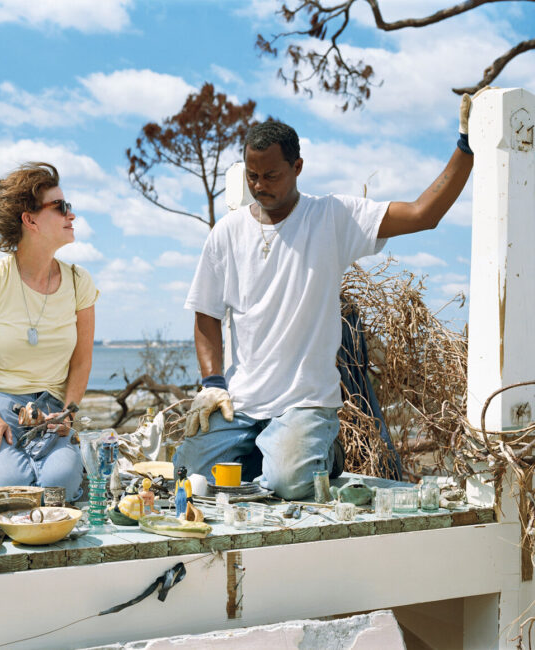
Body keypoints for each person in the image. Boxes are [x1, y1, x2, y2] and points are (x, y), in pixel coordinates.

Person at [176, 96, 479, 500]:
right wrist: (213, 384)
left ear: (297, 167)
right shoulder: (227, 233)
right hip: (242, 402)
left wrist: (466, 146)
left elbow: (424, 214)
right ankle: (268, 452)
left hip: (305, 401)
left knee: (288, 484)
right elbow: (206, 313)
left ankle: (326, 453)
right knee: (189, 477)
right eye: (252, 176)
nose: (260, 186)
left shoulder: (332, 217)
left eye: (271, 175)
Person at [0, 162, 99, 500]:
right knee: (5, 489)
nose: (71, 214)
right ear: (30, 220)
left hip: (51, 410)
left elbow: (82, 361)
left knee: (60, 486)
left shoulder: (80, 282)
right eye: (60, 206)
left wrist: (68, 413)